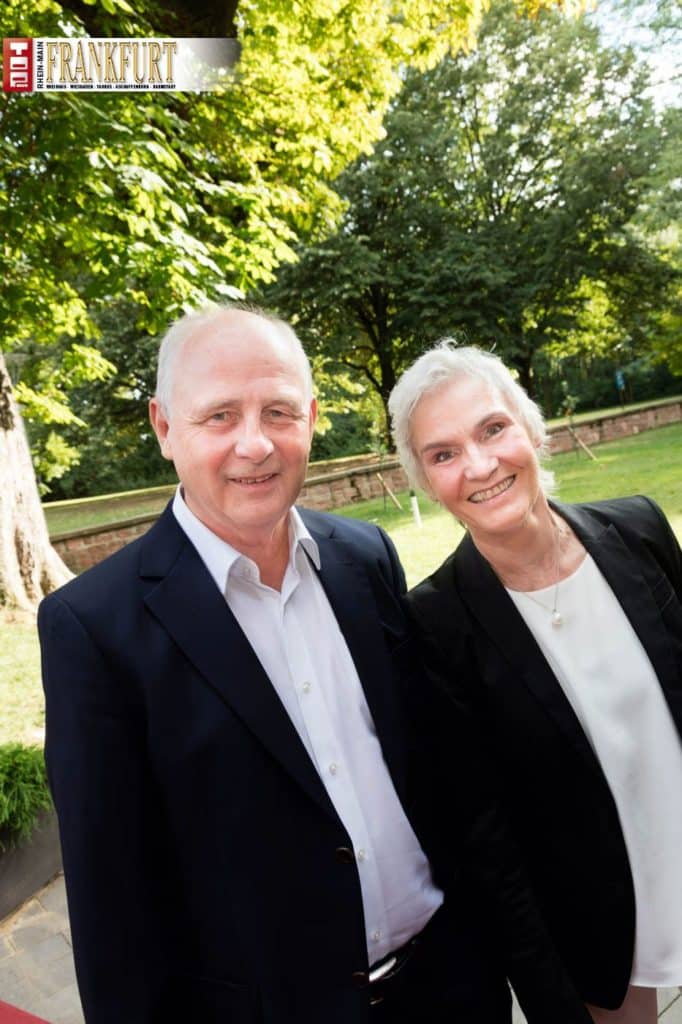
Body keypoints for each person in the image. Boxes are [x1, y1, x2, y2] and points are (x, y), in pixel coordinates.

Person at [38, 306, 594, 1024]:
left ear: (312, 417)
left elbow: (432, 771)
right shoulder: (94, 628)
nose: (254, 443)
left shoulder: (365, 558)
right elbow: (113, 913)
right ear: (164, 426)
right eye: (219, 417)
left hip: (454, 984)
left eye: (277, 411)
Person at [390, 340, 682, 1024]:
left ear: (532, 428)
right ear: (426, 481)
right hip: (605, 940)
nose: (480, 464)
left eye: (493, 429)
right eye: (444, 453)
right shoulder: (434, 624)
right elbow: (489, 847)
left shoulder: (638, 529)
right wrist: (553, 1002)